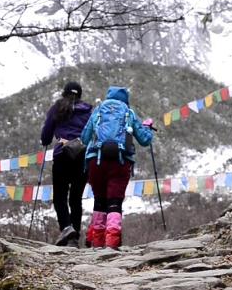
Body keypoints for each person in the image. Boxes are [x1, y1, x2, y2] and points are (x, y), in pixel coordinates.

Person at [80, 86, 154, 250]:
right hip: (120, 161)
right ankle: (111, 243)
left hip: (96, 161)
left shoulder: (98, 110)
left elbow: (84, 138)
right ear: (125, 99)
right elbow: (145, 140)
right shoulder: (128, 112)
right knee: (114, 201)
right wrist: (147, 128)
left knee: (99, 200)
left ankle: (97, 243)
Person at [40, 81, 92, 246]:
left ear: (64, 93)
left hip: (62, 155)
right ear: (80, 95)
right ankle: (74, 238)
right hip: (82, 155)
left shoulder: (57, 108)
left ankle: (67, 228)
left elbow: (45, 136)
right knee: (76, 199)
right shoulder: (88, 111)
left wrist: (49, 138)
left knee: (60, 196)